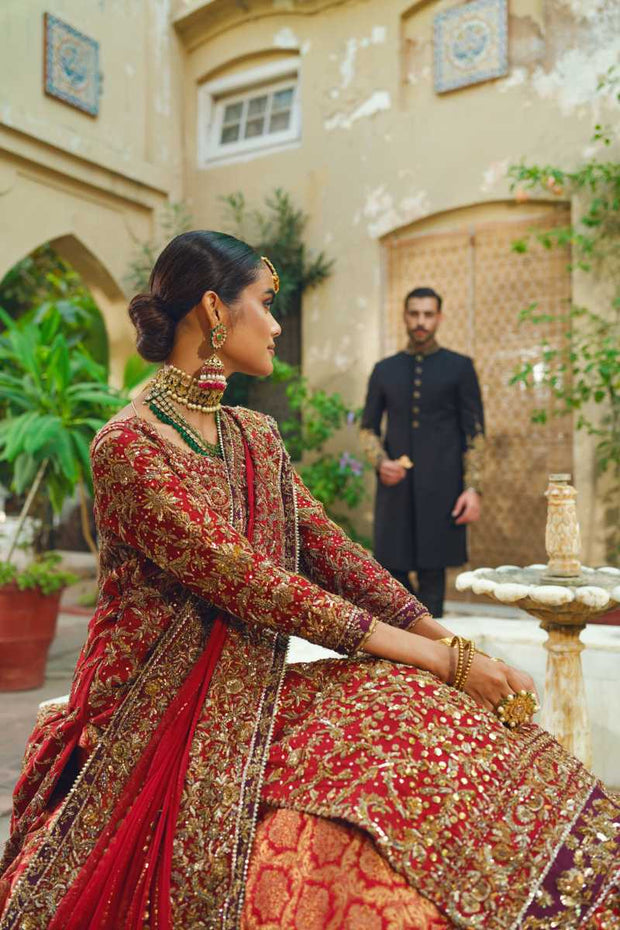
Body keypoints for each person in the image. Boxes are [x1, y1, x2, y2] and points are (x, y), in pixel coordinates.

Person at [0, 232, 617, 930]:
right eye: (265, 303)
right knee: (400, 703)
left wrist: (458, 649)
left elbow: (333, 555)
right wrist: (444, 659)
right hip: (154, 700)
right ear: (213, 310)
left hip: (246, 681)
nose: (275, 323)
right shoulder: (130, 448)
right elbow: (257, 585)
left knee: (417, 703)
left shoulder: (253, 434)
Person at [360, 287, 484, 618]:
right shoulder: (384, 370)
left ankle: (437, 657)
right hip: (396, 488)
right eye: (414, 314)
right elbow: (368, 428)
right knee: (391, 569)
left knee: (433, 573)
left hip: (443, 489)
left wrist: (473, 488)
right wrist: (380, 461)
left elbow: (475, 435)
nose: (421, 322)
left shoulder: (460, 368)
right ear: (404, 316)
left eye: (428, 315)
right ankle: (409, 650)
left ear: (439, 318)